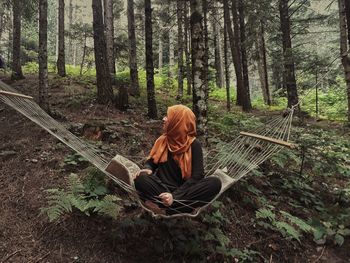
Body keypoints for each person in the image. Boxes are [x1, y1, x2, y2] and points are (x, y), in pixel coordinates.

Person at [134, 105, 221, 215]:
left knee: (215, 183)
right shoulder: (162, 140)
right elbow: (151, 162)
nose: (164, 119)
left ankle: (165, 207)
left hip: (183, 192)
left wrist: (174, 196)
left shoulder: (194, 145)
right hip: (161, 189)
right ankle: (176, 207)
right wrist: (147, 168)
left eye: (168, 117)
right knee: (140, 178)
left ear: (178, 122)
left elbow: (197, 176)